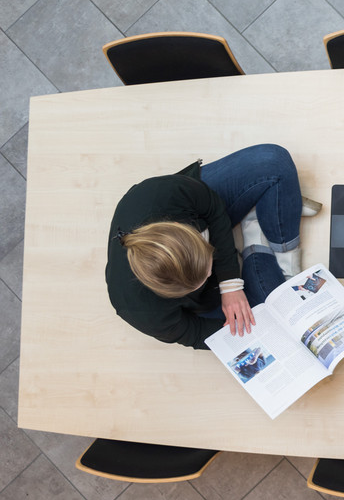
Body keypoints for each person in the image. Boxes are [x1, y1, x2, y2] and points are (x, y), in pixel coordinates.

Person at [106, 144, 316, 350]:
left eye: (208, 266)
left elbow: (212, 207)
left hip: (198, 210)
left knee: (273, 160)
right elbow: (195, 334)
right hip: (207, 301)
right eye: (203, 280)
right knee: (272, 315)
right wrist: (250, 329)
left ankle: (275, 239)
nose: (211, 273)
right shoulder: (140, 311)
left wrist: (230, 283)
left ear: (187, 230)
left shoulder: (160, 194)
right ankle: (262, 221)